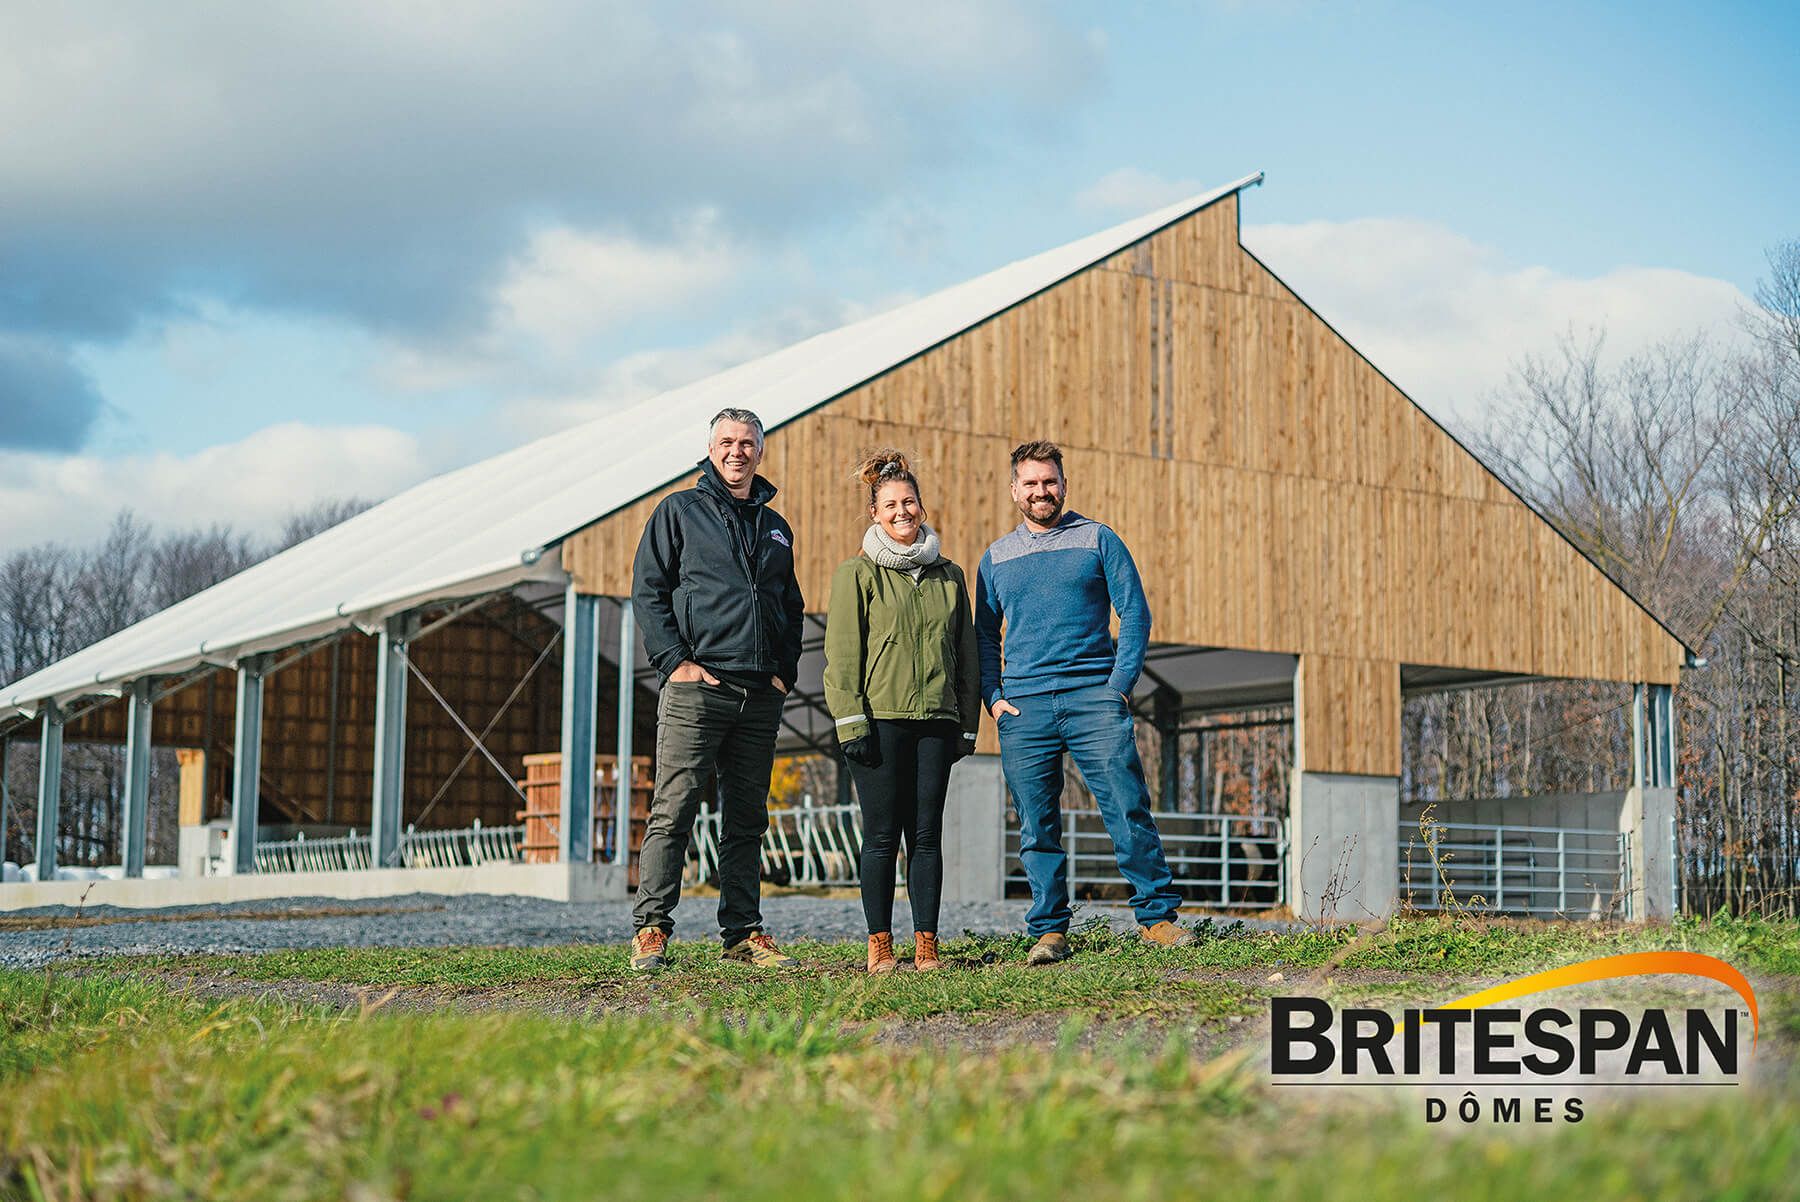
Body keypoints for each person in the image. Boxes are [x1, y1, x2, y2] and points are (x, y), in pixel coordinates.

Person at [974, 440, 1197, 966]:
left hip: (1092, 696)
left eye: (1049, 481)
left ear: (1063, 484)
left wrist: (1118, 685)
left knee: (1125, 806)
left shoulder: (1098, 538)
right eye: (1030, 483)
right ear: (1014, 490)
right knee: (1035, 822)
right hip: (1023, 706)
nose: (1040, 491)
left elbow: (1134, 613)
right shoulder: (995, 558)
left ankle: (1157, 918)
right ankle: (1049, 930)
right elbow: (984, 637)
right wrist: (994, 697)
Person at [627, 407, 806, 972]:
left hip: (760, 693)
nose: (737, 451)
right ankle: (651, 928)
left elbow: (791, 607)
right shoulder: (678, 511)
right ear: (710, 449)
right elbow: (648, 591)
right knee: (674, 807)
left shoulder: (776, 526)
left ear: (761, 450)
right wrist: (674, 661)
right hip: (697, 687)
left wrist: (782, 673)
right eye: (727, 441)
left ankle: (743, 933)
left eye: (747, 442)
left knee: (747, 818)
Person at [824, 451, 982, 974]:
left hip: (936, 721)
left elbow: (967, 655)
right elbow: (843, 654)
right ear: (875, 512)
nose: (901, 511)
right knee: (882, 837)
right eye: (890, 504)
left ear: (922, 507)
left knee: (927, 837)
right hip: (879, 720)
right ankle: (879, 946)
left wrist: (966, 723)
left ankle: (927, 946)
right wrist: (850, 722)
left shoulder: (949, 576)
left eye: (908, 501)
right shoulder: (857, 574)